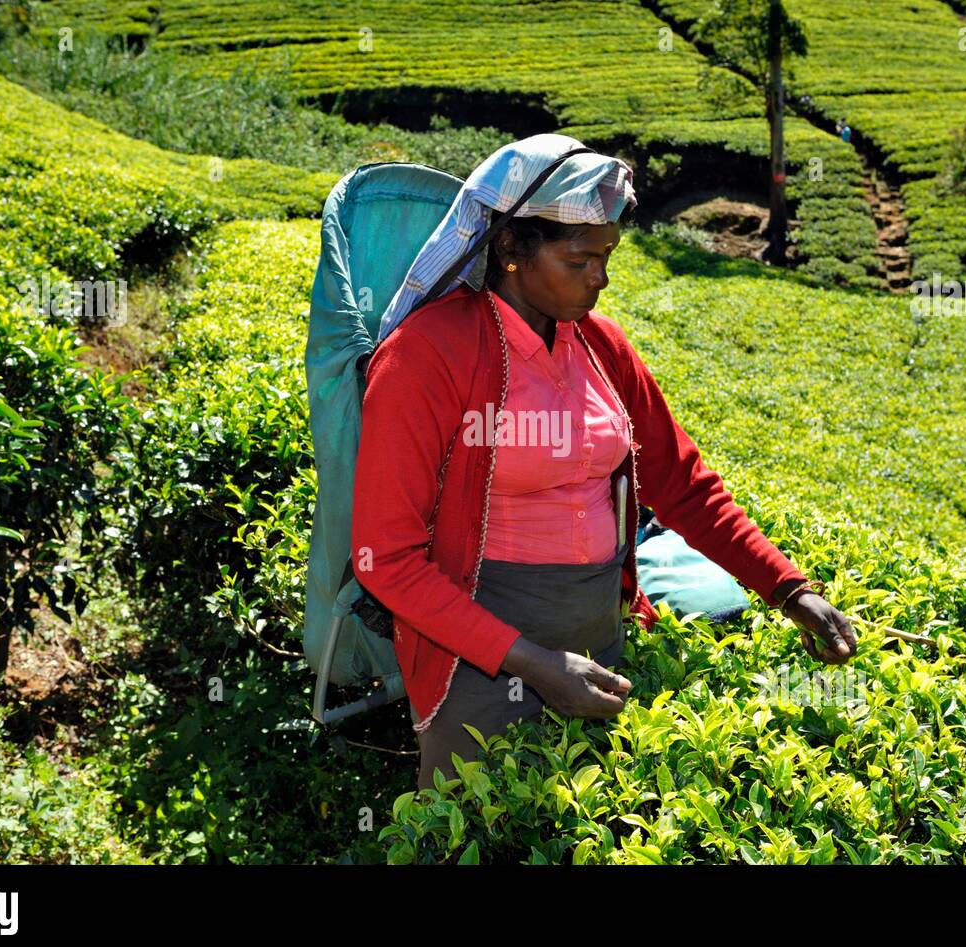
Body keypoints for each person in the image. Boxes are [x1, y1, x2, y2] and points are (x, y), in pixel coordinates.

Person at [351, 133, 857, 792]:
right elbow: (385, 557)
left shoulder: (601, 346)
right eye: (581, 258)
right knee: (479, 825)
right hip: (475, 656)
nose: (602, 277)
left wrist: (790, 589)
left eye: (608, 255)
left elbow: (682, 484)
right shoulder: (427, 355)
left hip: (595, 636)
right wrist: (530, 662)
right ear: (510, 248)